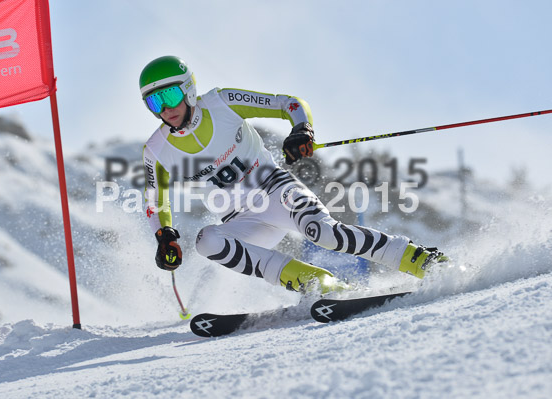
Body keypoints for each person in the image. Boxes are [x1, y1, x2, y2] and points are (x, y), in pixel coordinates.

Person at [140, 55, 445, 294]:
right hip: (241, 220)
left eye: (169, 95)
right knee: (206, 241)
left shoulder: (222, 102)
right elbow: (154, 200)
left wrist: (301, 129)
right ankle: (316, 283)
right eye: (155, 102)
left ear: (188, 89)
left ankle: (420, 259)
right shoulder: (156, 150)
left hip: (276, 191)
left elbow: (290, 104)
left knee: (325, 233)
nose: (165, 109)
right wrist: (164, 235)